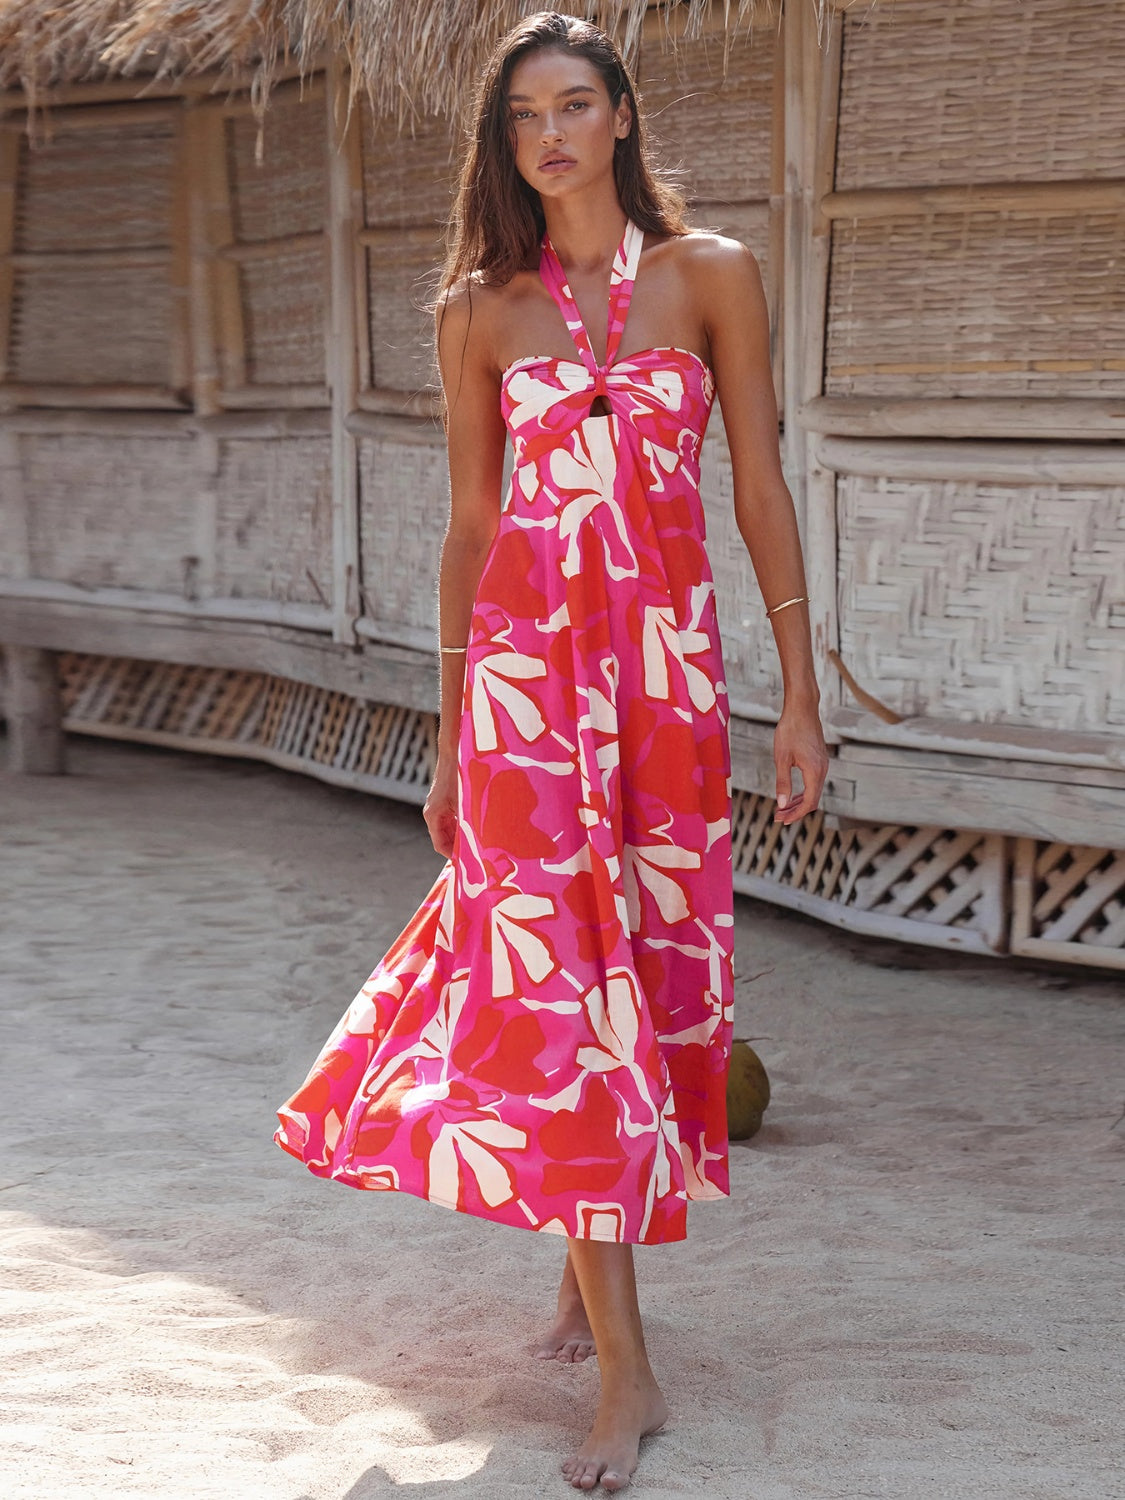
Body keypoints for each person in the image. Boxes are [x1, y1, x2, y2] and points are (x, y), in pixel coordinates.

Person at [276, 10, 828, 1492]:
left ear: (623, 117)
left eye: (574, 106)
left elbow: (761, 482)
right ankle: (628, 1375)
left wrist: (799, 686)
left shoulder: (710, 277)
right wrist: (455, 730)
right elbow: (470, 527)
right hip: (528, 695)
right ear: (505, 142)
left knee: (643, 973)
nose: (551, 136)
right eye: (524, 117)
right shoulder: (478, 310)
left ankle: (579, 1281)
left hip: (661, 689)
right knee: (558, 986)